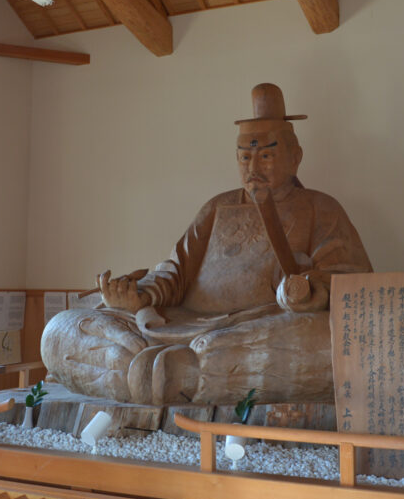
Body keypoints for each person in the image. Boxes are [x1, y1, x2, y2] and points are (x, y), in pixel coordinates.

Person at [41, 83, 372, 405]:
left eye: (267, 156)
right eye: (244, 157)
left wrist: (311, 291)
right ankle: (152, 367)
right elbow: (174, 272)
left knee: (334, 338)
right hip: (178, 326)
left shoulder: (320, 208)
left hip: (250, 332)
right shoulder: (218, 208)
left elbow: (352, 284)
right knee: (60, 329)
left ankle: (164, 372)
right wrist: (140, 295)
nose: (254, 168)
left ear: (295, 157)